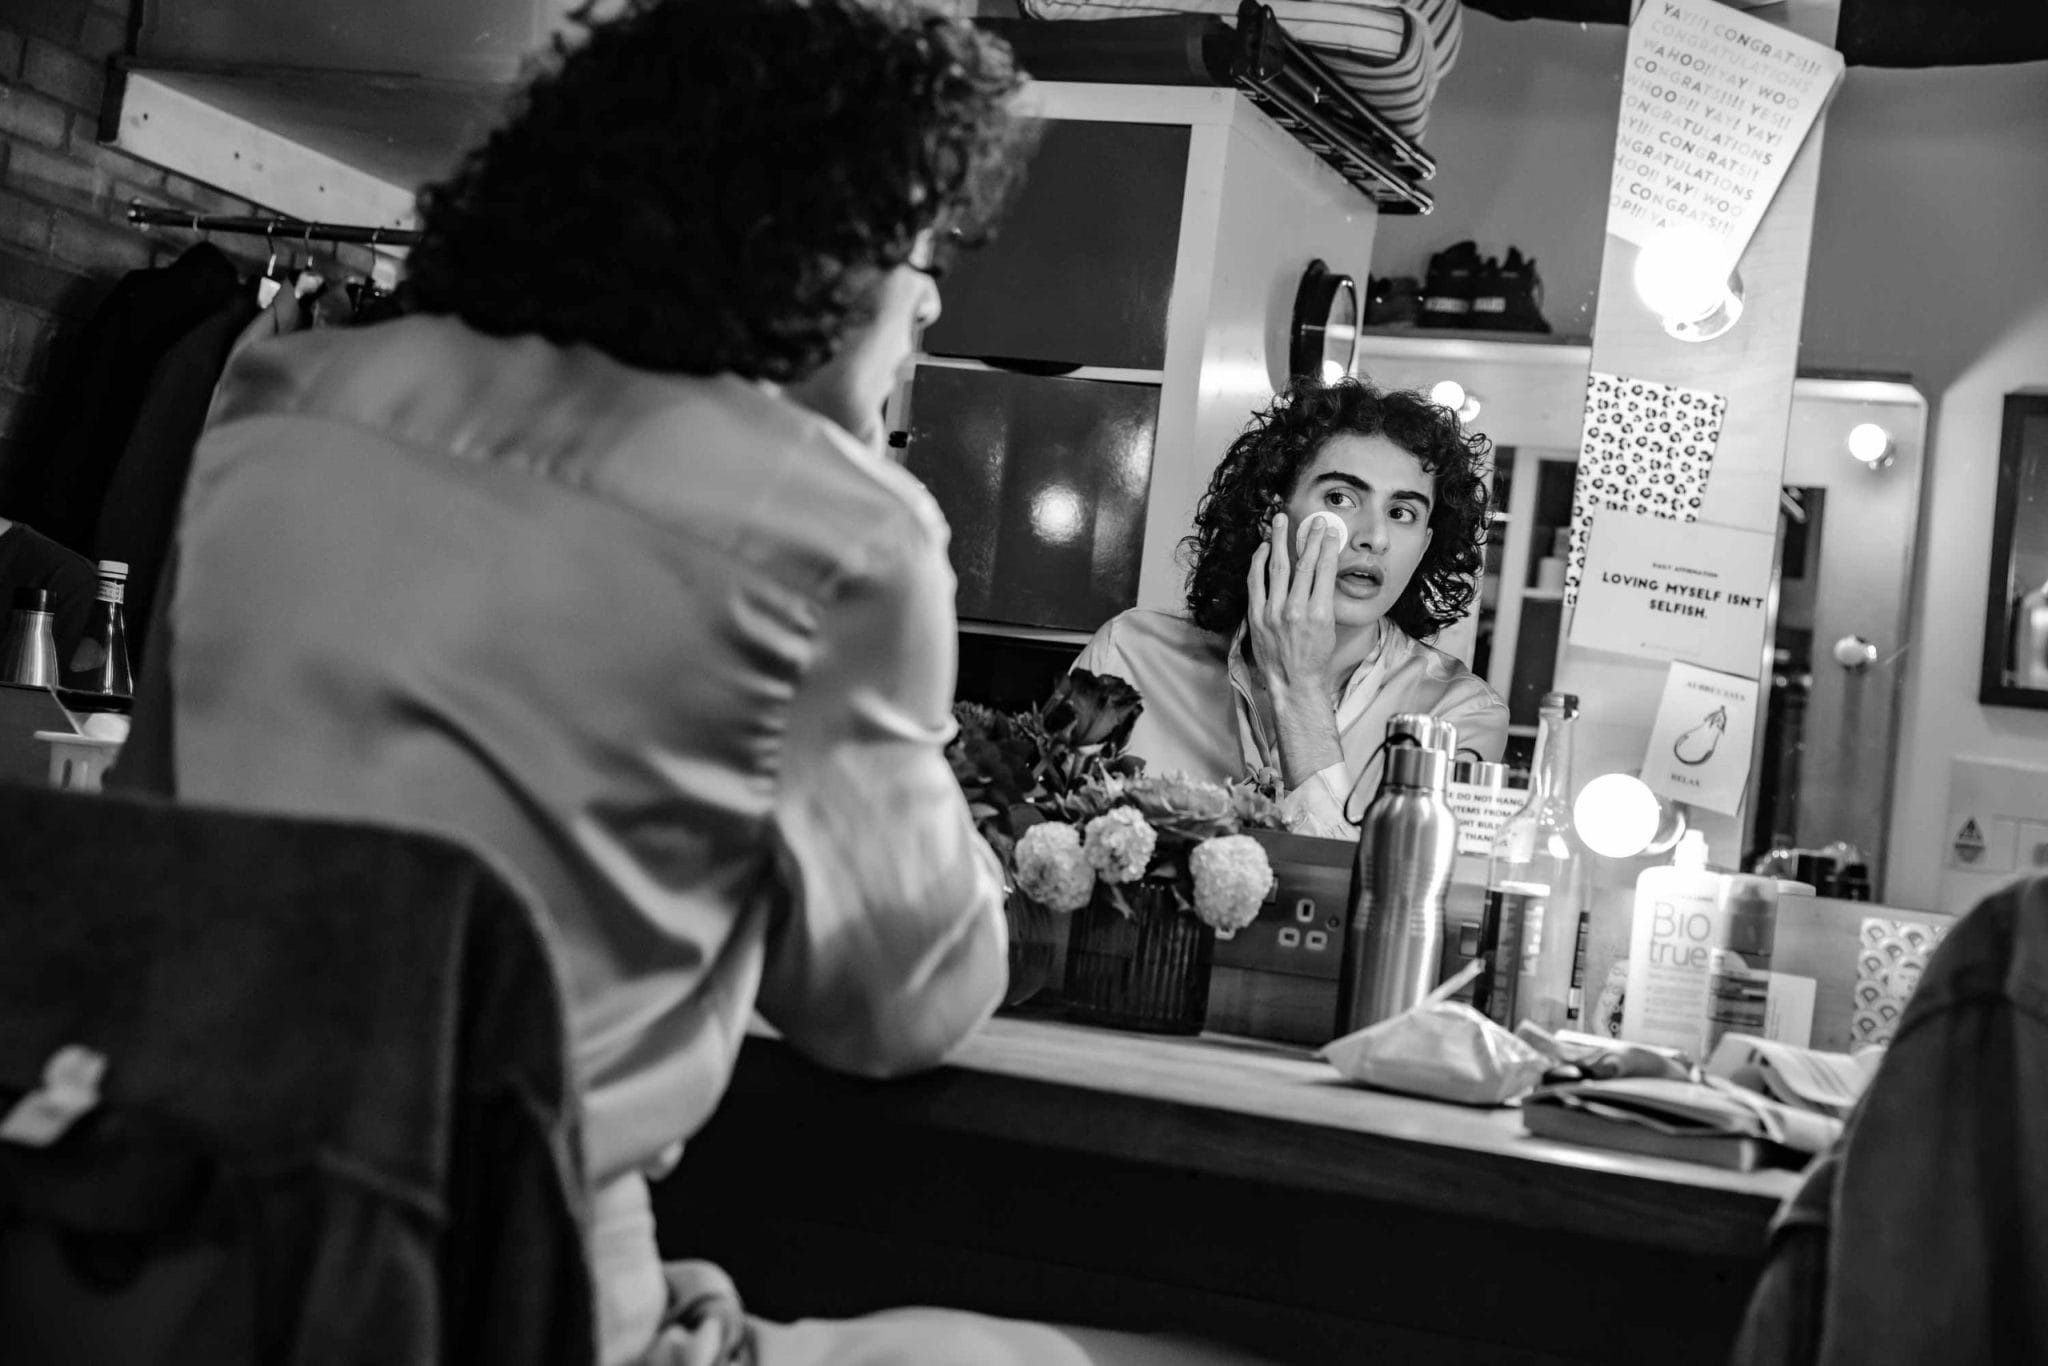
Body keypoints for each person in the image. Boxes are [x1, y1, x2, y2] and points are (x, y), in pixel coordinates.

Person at [113, 3, 1255, 1362]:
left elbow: (153, 828)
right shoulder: (832, 530)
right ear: (805, 250)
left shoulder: (286, 392)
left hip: (168, 1259)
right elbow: (905, 1006)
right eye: (912, 248)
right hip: (521, 1301)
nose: (930, 296)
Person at [1074, 377, 1508, 838]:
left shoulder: (1458, 716)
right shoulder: (1129, 655)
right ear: (1270, 512)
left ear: (1424, 545)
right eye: (1340, 498)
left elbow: (1374, 901)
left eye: (1402, 513)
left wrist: (1300, 687)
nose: (1374, 537)